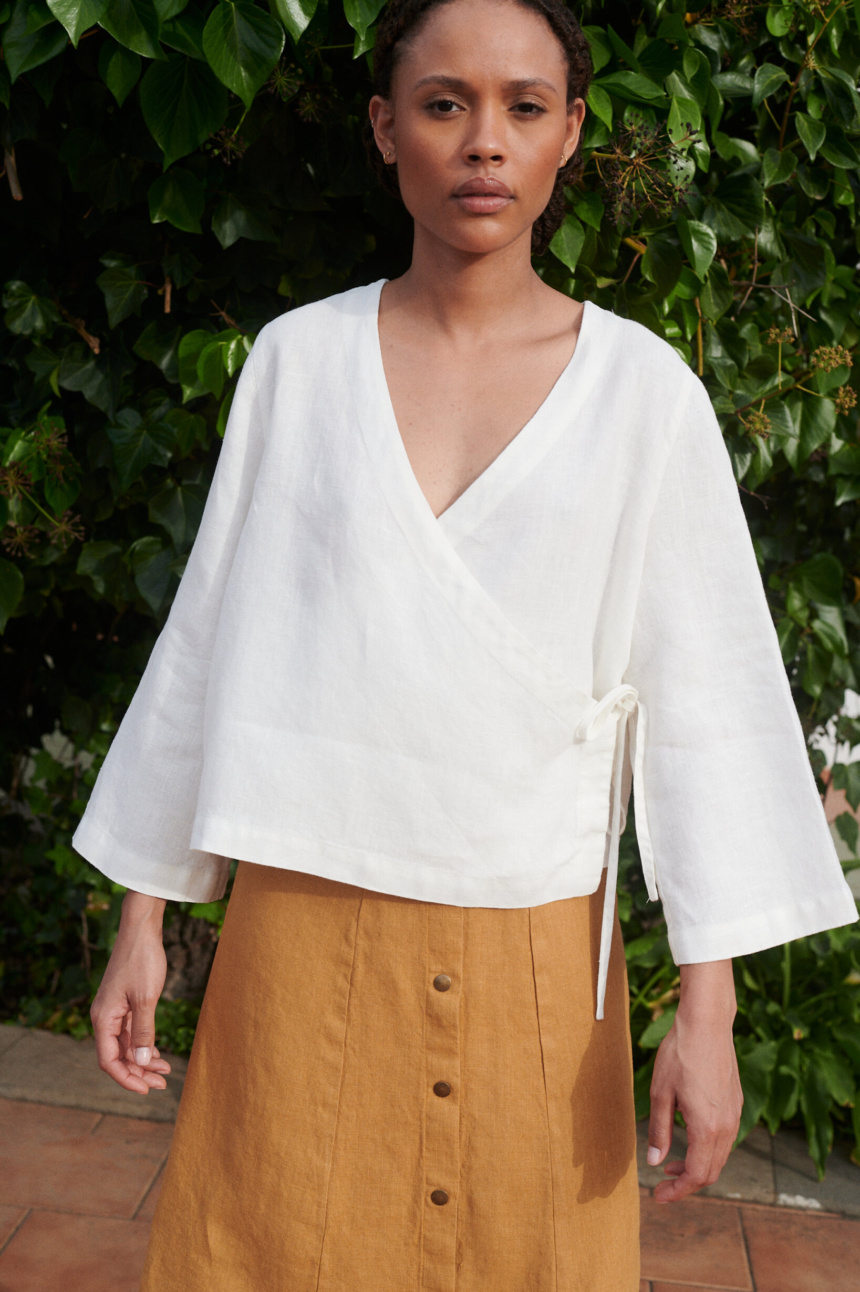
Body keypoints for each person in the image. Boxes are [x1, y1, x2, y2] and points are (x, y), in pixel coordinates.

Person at [76, 0, 858, 1287]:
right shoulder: (296, 363)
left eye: (522, 106)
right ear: (387, 129)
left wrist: (705, 1012)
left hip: (539, 964)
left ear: (568, 136)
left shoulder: (645, 393)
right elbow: (210, 638)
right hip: (301, 943)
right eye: (443, 104)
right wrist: (141, 916)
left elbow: (706, 702)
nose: (481, 142)